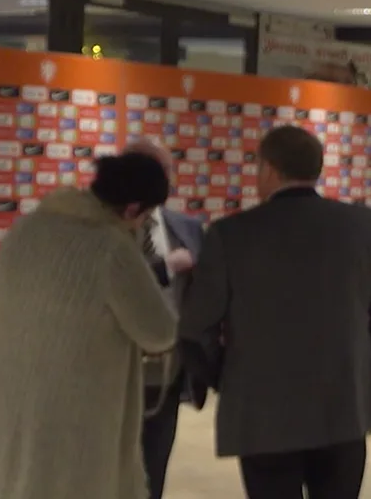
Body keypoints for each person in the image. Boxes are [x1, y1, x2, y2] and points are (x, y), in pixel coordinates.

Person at [179, 125, 371, 499]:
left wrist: (227, 379)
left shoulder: (230, 234)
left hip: (263, 415)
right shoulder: (363, 225)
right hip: (345, 407)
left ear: (269, 169)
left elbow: (195, 331)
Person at [0, 153, 176, 499]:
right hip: (68, 422)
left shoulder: (25, 229)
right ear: (133, 209)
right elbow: (159, 331)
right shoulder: (110, 248)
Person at [123, 139, 207, 499]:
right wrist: (165, 267)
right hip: (115, 367)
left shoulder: (187, 228)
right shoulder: (101, 230)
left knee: (154, 465)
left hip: (169, 370)